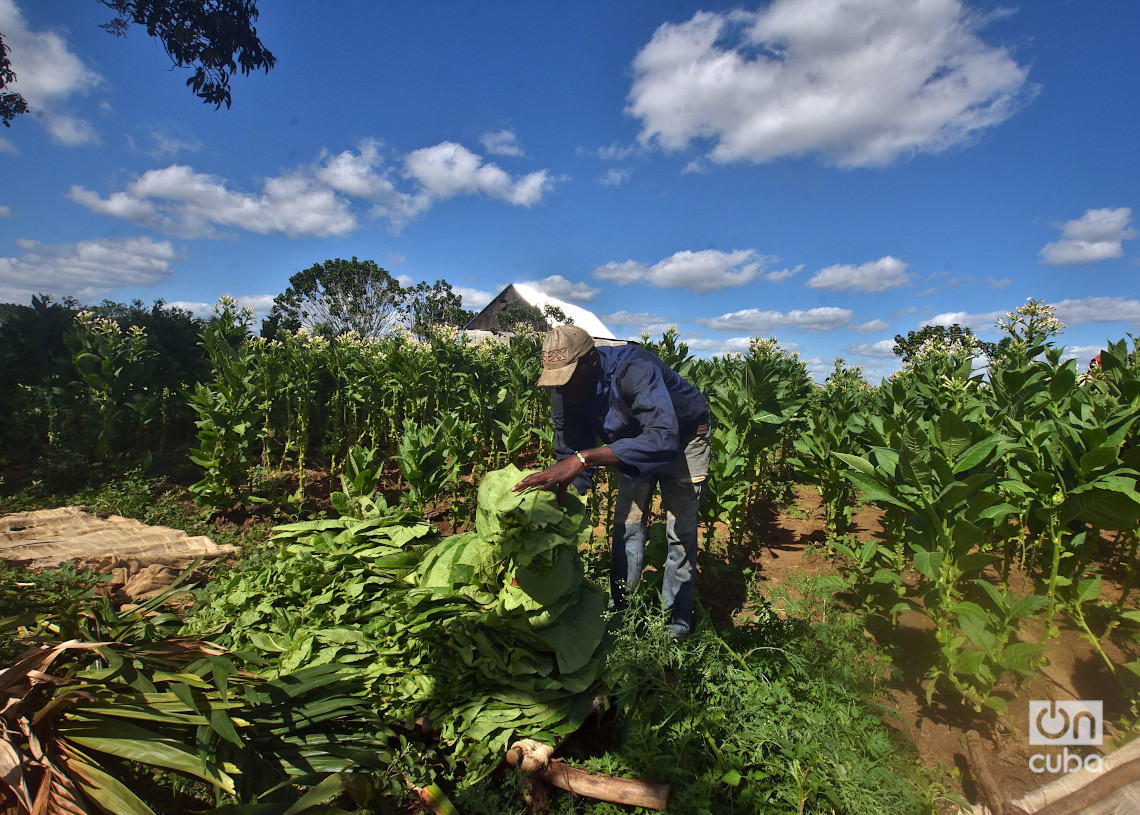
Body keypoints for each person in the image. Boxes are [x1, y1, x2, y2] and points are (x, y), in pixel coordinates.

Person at [512, 325, 710, 638]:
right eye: (556, 382)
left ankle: (675, 623)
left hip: (683, 437)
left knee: (680, 532)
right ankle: (623, 614)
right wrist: (556, 516)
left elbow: (662, 439)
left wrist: (583, 459)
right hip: (630, 441)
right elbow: (570, 453)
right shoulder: (565, 389)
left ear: (592, 362)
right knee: (627, 527)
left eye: (567, 380)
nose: (562, 390)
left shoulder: (634, 371)